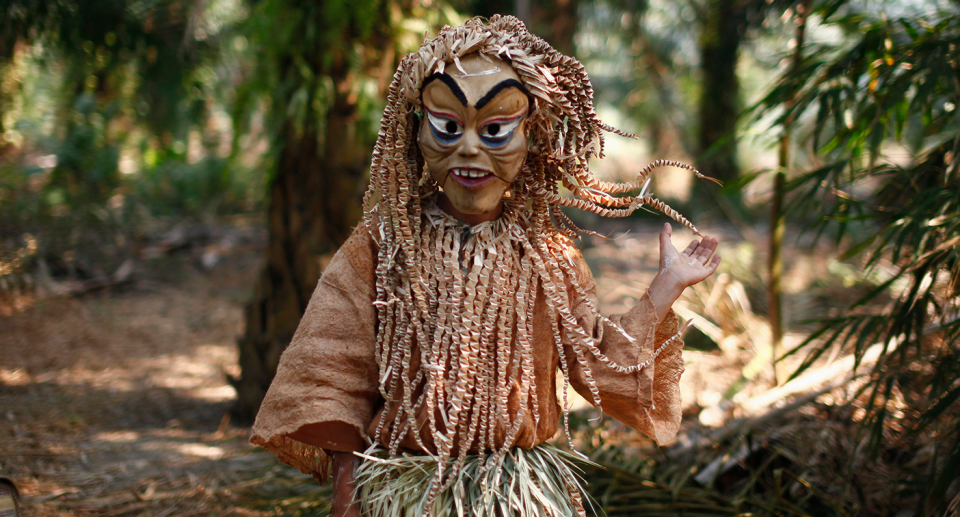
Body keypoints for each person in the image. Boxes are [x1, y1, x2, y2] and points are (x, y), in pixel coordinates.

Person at [251, 15, 721, 517]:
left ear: (531, 138)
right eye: (448, 126)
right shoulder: (382, 246)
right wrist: (348, 485)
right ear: (415, 133)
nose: (470, 148)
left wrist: (666, 287)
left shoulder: (550, 257)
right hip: (410, 490)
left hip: (515, 495)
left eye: (496, 129)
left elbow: (599, 365)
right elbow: (331, 371)